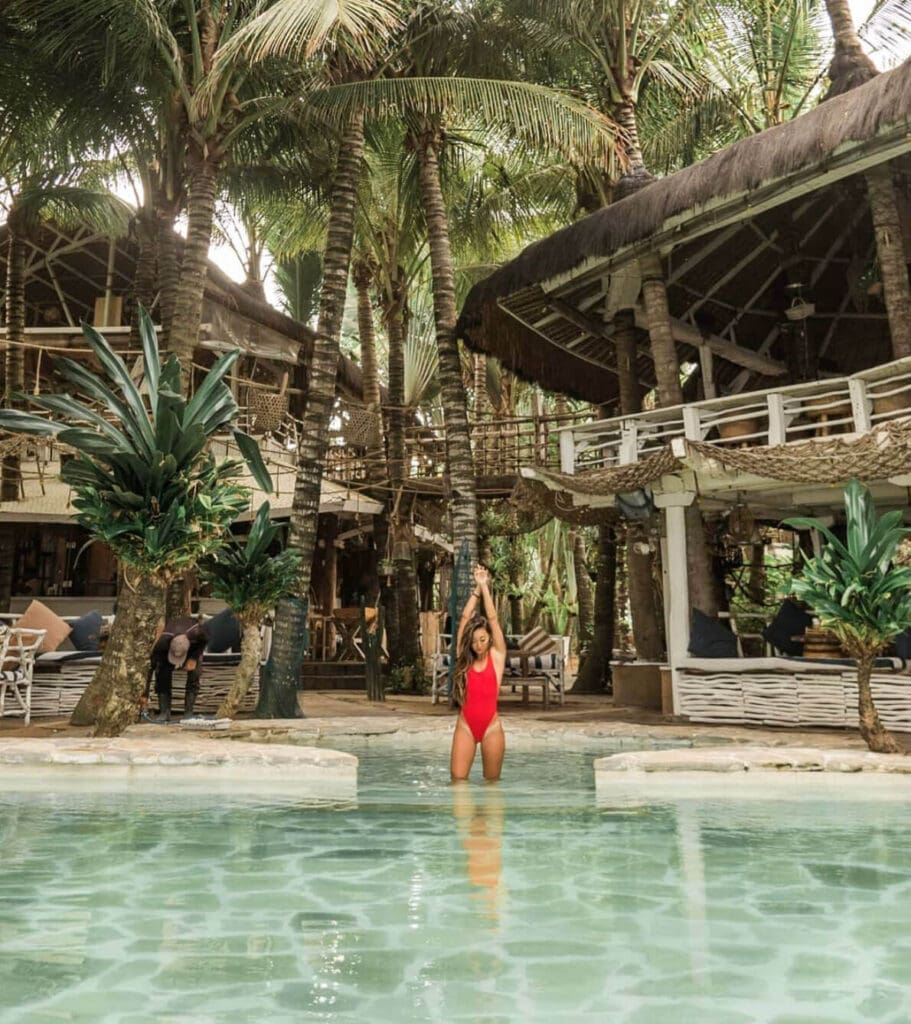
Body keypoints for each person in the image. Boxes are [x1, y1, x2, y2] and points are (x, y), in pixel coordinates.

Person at [450, 565, 506, 781]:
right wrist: (475, 590)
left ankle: (485, 816)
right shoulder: (464, 660)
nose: (478, 645)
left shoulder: (498, 656)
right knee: (457, 780)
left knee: (492, 785)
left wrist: (485, 587)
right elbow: (464, 618)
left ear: (490, 639)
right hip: (466, 725)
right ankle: (469, 817)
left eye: (482, 640)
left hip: (491, 726)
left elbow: (492, 619)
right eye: (474, 642)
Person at [150, 615, 208, 722]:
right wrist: (144, 693)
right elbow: (151, 666)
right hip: (169, 648)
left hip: (192, 650)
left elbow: (205, 641)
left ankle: (188, 712)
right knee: (162, 674)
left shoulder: (197, 632)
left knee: (195, 673)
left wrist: (194, 658)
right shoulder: (162, 644)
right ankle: (164, 712)